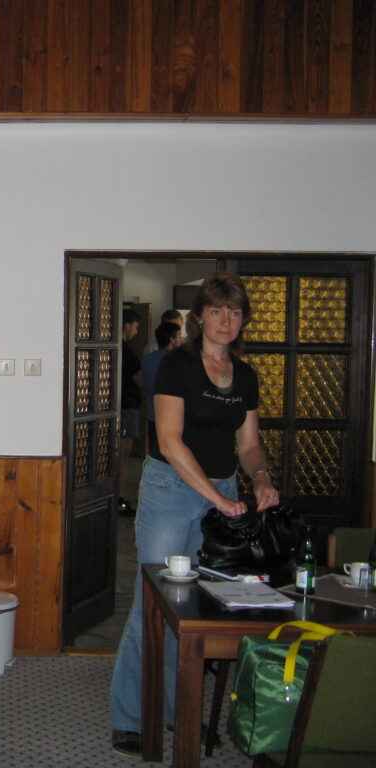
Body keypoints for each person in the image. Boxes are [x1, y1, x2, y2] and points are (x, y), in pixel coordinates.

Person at [109, 273, 280, 757]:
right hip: (171, 491)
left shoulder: (245, 376)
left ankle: (176, 712)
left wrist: (261, 477)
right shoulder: (177, 366)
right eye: (217, 310)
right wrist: (219, 501)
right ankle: (130, 717)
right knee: (155, 602)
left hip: (222, 490)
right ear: (200, 316)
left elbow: (248, 445)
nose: (226, 320)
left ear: (243, 319)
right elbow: (169, 442)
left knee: (198, 611)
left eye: (235, 312)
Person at [117, 309, 142, 514]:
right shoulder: (124, 349)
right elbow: (137, 376)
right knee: (123, 453)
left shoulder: (123, 347)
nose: (136, 331)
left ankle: (117, 495)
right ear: (127, 325)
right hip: (125, 405)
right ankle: (118, 496)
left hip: (125, 403)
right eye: (135, 326)